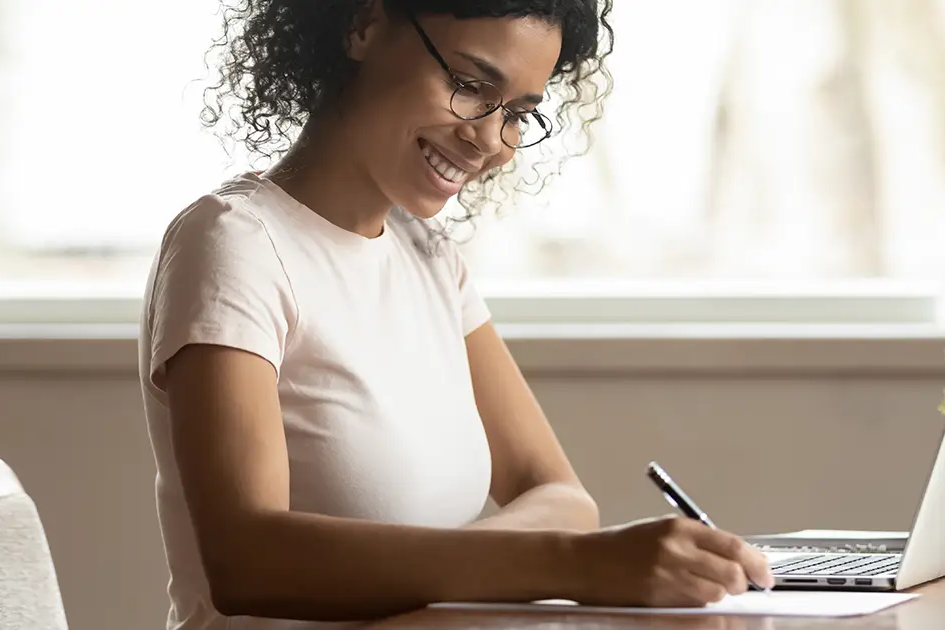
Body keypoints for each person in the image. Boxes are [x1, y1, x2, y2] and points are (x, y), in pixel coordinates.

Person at [137, 1, 774, 628]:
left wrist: (548, 560)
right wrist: (569, 565)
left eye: (521, 113)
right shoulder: (236, 243)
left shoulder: (427, 256)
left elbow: (561, 496)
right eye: (470, 85)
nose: (492, 140)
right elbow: (250, 562)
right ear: (364, 24)